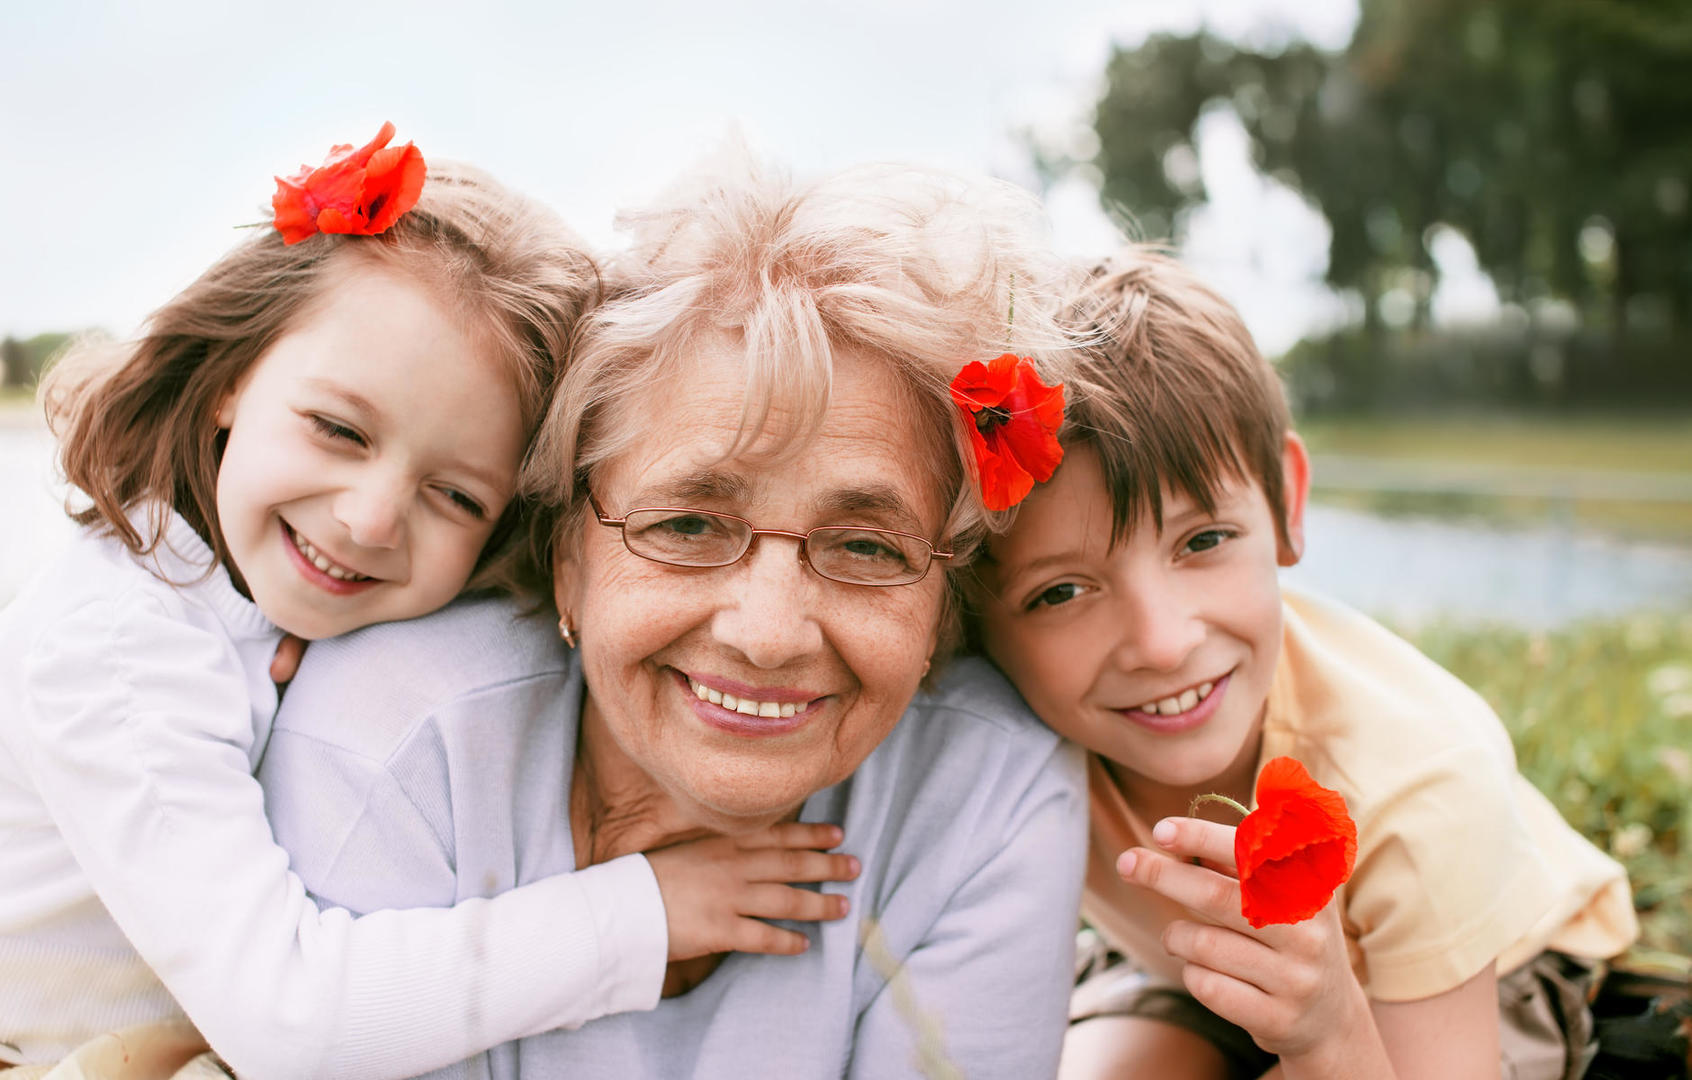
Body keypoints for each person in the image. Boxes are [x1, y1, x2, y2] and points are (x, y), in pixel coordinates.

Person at [0, 127, 856, 1080]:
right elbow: (287, 1022)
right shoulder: (119, 642)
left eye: (455, 496)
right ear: (229, 377)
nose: (370, 521)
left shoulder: (247, 599)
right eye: (337, 428)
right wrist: (642, 913)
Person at [256, 150, 1090, 1079]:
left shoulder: (989, 794)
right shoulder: (398, 739)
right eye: (689, 523)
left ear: (940, 601)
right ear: (568, 555)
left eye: (866, 548)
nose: (768, 634)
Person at [970, 247, 1639, 1080]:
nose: (1163, 642)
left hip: (1480, 972)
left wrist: (1325, 1036)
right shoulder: (984, 726)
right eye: (1063, 591)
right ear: (970, 621)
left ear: (1285, 503)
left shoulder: (1421, 779)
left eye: (1203, 541)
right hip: (1185, 963)